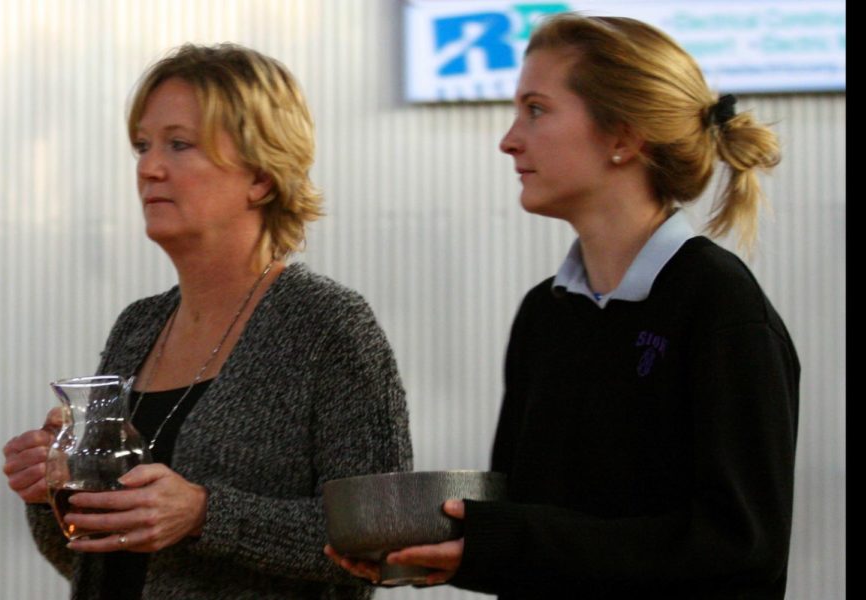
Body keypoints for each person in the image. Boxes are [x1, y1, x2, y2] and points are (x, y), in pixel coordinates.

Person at [328, 13, 799, 599]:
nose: (509, 139)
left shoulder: (718, 306)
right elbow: (535, 526)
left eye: (536, 109)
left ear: (623, 138)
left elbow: (739, 548)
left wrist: (508, 540)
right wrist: (453, 550)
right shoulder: (544, 314)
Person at [2, 43, 412, 599]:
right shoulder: (138, 327)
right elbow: (92, 559)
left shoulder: (328, 326)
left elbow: (379, 543)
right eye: (143, 146)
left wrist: (204, 515)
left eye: (180, 144)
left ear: (262, 177)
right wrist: (52, 491)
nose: (149, 167)